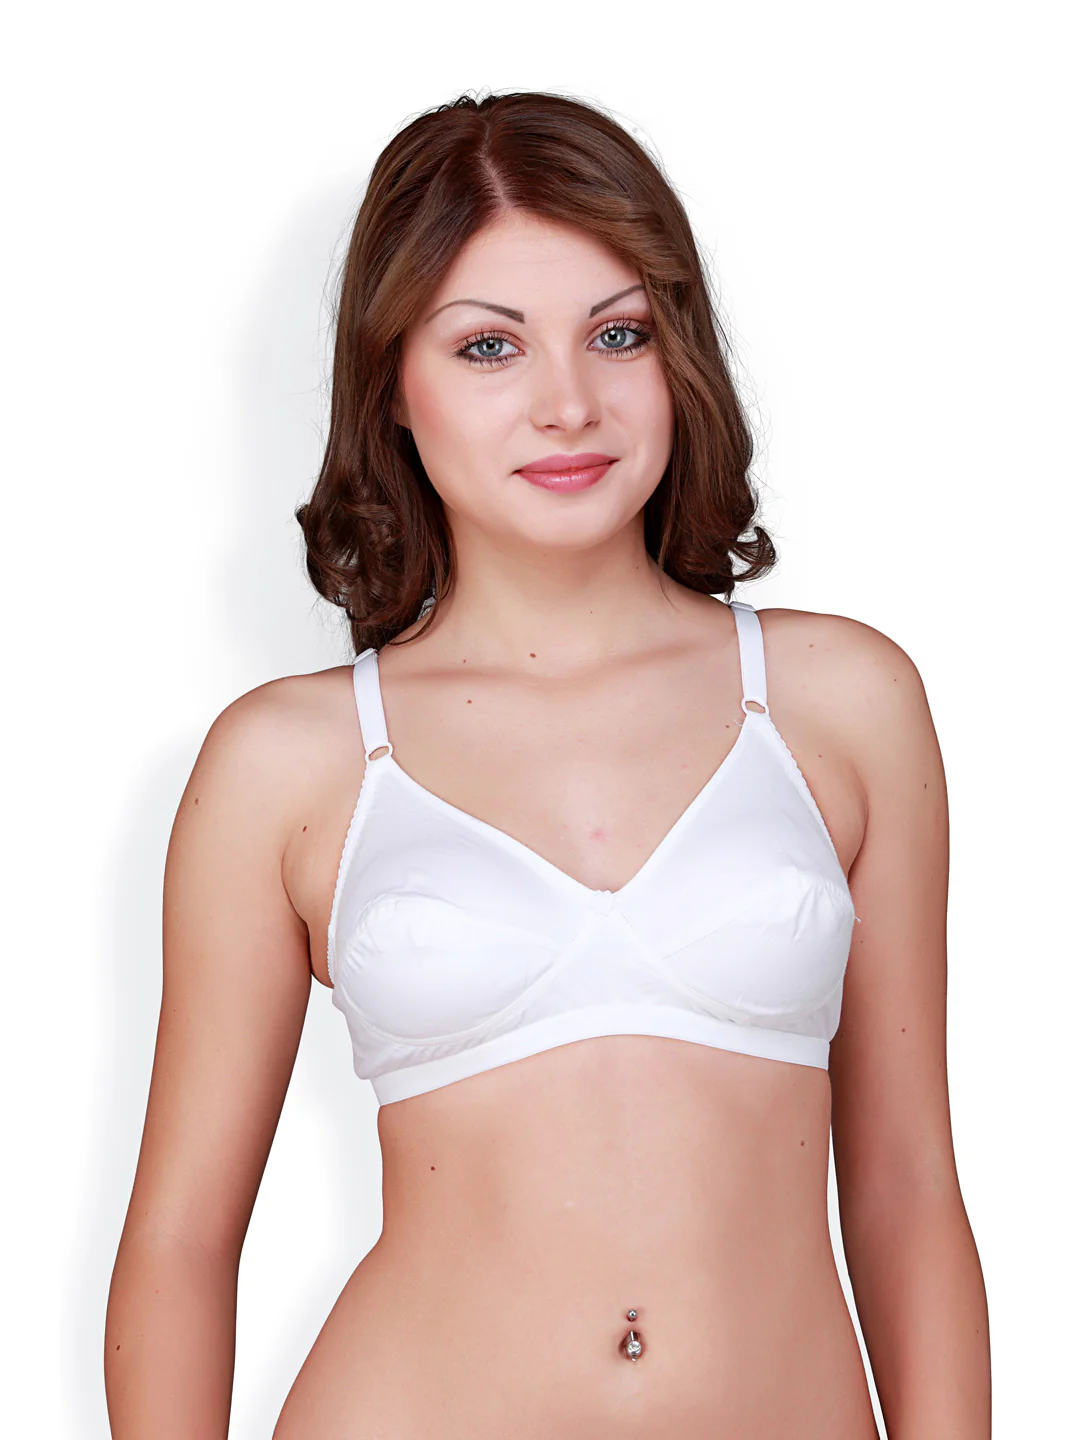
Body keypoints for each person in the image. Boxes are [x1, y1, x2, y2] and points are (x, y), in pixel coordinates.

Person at [104, 90, 991, 1438]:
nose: (567, 403)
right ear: (392, 388)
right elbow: (179, 1238)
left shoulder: (842, 702)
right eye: (488, 347)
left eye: (617, 334)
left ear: (677, 357)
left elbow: (908, 1188)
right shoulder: (289, 764)